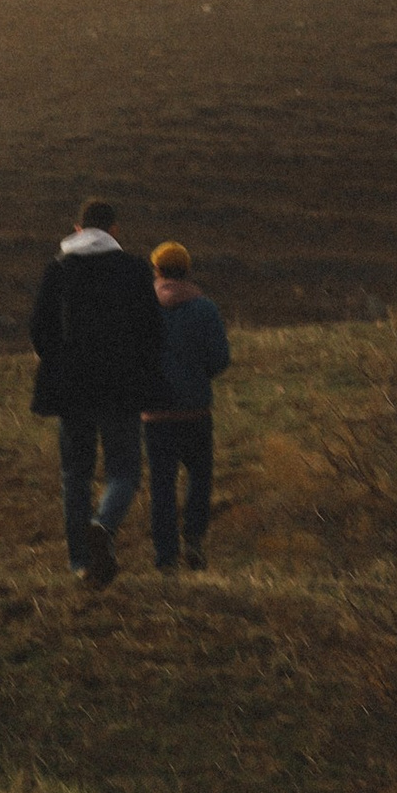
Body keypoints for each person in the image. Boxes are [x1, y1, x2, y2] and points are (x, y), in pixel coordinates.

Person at [29, 196, 162, 584]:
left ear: (77, 229)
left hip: (72, 389)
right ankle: (103, 526)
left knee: (76, 475)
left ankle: (80, 563)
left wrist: (55, 360)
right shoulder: (136, 270)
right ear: (114, 230)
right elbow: (151, 329)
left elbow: (39, 329)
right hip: (121, 387)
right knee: (125, 471)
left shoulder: (58, 271)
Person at [143, 241, 232, 573]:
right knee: (200, 477)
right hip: (195, 410)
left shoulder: (142, 309)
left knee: (162, 485)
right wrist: (198, 375)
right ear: (187, 270)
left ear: (157, 270)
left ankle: (165, 558)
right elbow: (220, 359)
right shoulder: (205, 308)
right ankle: (193, 538)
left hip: (155, 413)